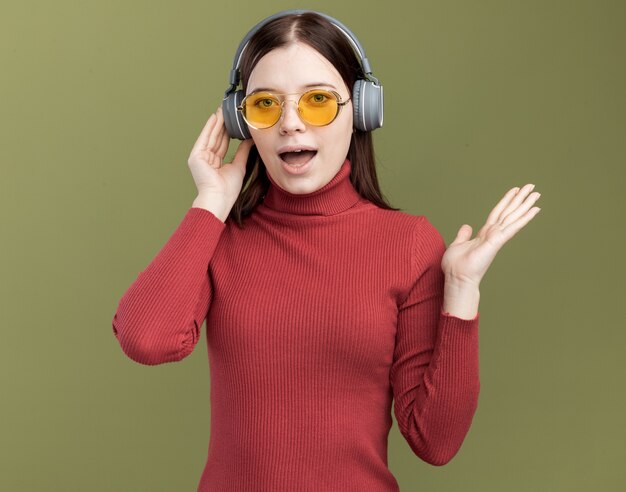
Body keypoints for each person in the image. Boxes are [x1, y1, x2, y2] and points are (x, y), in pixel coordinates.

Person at [111, 9, 542, 492]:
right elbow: (146, 339)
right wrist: (211, 202)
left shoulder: (411, 244)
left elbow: (434, 442)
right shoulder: (220, 237)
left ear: (361, 110)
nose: (291, 124)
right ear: (242, 120)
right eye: (266, 104)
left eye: (317, 101)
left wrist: (461, 291)